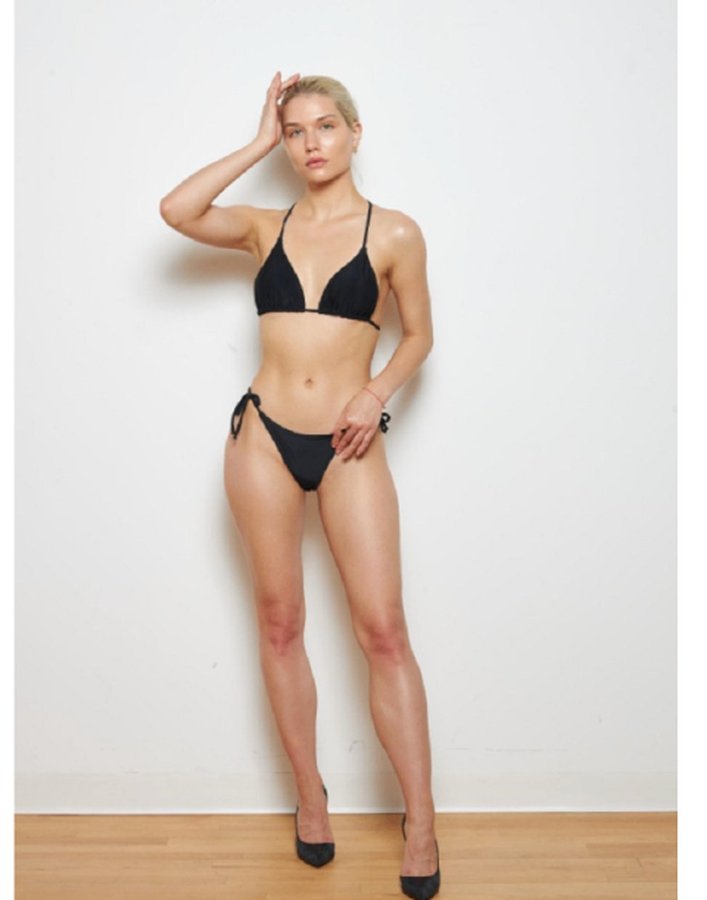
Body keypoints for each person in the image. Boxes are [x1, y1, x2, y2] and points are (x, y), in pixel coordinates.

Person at [159, 71, 439, 900]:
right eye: (294, 131)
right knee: (280, 624)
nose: (310, 143)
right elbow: (177, 210)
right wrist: (254, 141)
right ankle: (309, 797)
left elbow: (419, 337)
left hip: (350, 444)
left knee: (383, 631)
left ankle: (421, 822)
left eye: (324, 126)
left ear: (355, 132)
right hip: (263, 439)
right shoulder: (263, 226)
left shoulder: (394, 232)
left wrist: (373, 393)